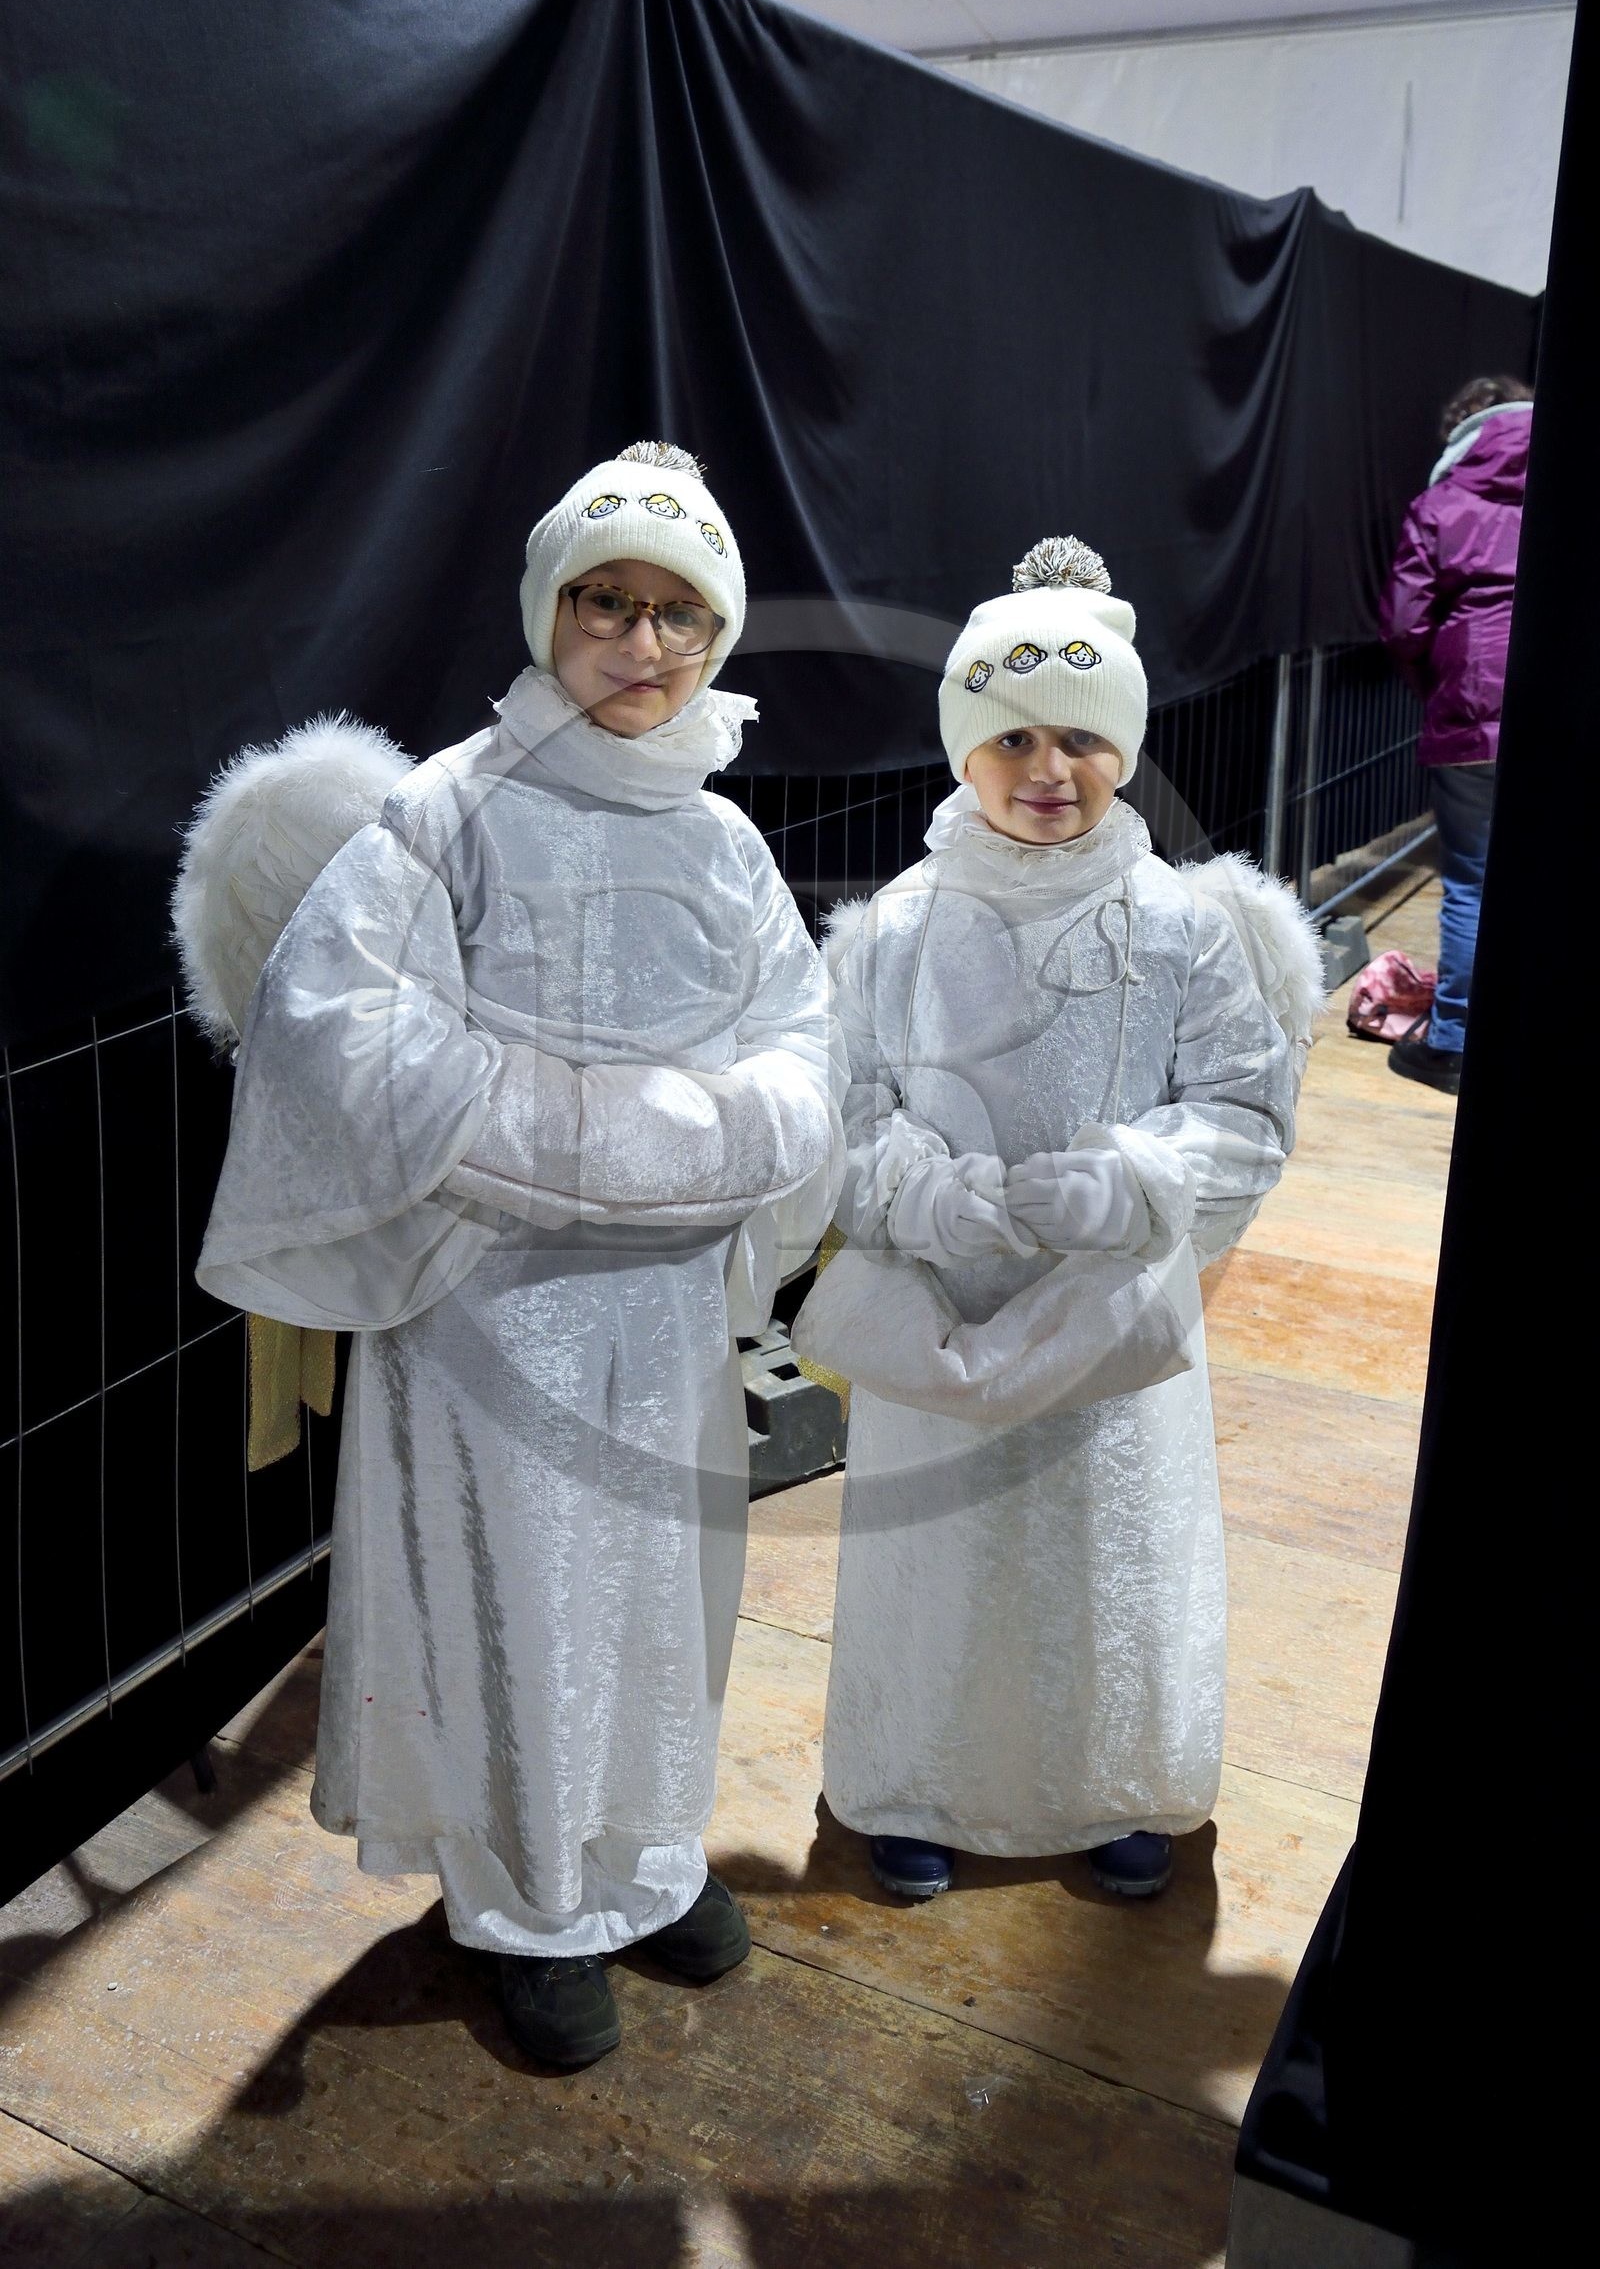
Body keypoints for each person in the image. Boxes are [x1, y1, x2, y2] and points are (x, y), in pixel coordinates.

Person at [187, 440, 841, 2067]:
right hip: (493, 1313)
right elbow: (340, 1027)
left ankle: (644, 1853)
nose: (640, 640)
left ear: (717, 639)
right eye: (606, 600)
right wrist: (585, 1137)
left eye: (677, 611)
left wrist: (691, 1146)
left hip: (665, 1312)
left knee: (662, 1596)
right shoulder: (447, 811)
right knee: (515, 1600)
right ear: (552, 607)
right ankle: (530, 1899)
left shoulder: (723, 842)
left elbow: (805, 1053)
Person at [793, 537, 1310, 1904]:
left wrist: (1133, 1183)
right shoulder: (899, 928)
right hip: (945, 1304)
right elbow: (841, 1109)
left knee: (1104, 1552)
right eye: (1011, 735)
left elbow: (1247, 1116)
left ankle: (1109, 1782)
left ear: (1125, 750)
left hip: (1112, 1324)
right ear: (965, 745)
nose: (1047, 769)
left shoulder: (1181, 926)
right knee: (940, 1550)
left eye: (1081, 737)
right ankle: (918, 1777)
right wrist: (926, 1189)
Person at [1378, 374, 1532, 1095]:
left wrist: (1433, 682)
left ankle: (1452, 1043)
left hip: (1471, 714)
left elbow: (1406, 622)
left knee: (1471, 880)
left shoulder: (1441, 506)